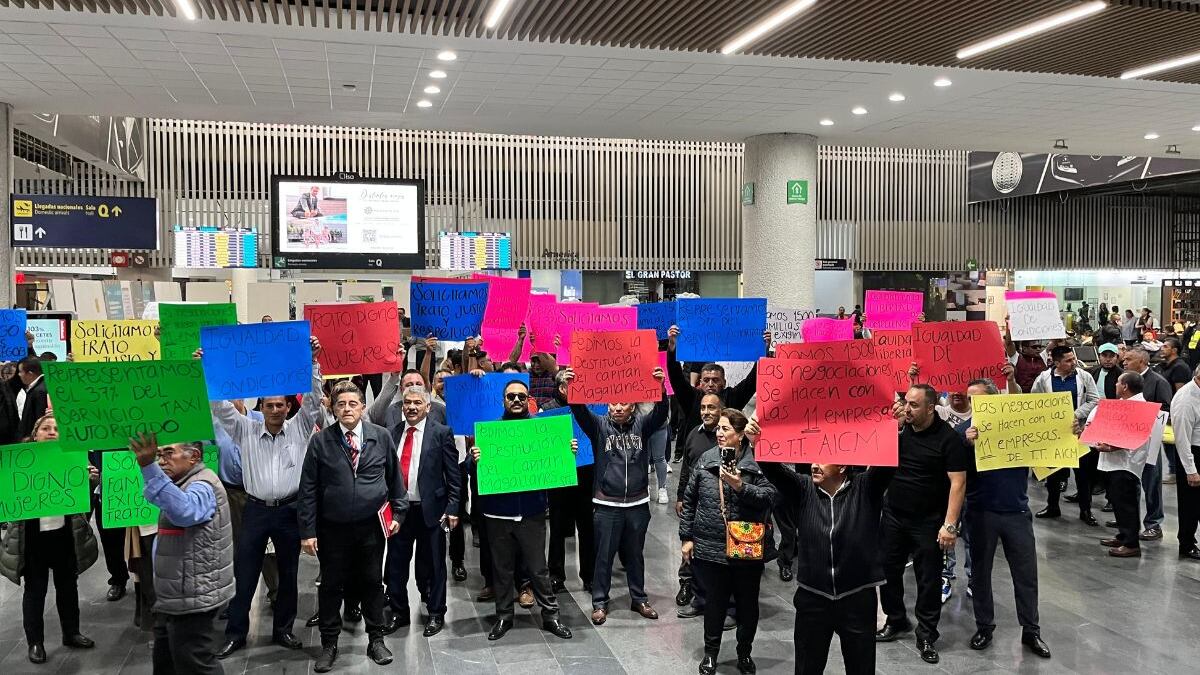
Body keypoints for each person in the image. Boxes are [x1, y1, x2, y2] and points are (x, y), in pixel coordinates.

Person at [747, 416, 894, 675]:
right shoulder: (803, 488)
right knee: (806, 668)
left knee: (861, 669)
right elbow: (774, 470)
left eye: (823, 458)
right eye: (814, 457)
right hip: (813, 597)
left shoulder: (866, 488)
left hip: (857, 597)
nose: (814, 464)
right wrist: (758, 441)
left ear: (843, 465)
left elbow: (888, 463)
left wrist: (895, 426)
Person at [210, 336, 325, 659]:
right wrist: (210, 367)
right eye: (269, 405)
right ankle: (235, 633)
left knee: (288, 574)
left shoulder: (301, 428)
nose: (275, 410)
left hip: (290, 511)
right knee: (245, 574)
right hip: (255, 511)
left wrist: (314, 362)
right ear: (262, 408)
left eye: (280, 405)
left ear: (288, 407)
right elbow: (219, 407)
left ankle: (283, 629)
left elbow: (316, 400)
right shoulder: (245, 429)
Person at [298, 380, 406, 673]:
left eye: (352, 403)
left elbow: (395, 479)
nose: (346, 409)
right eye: (340, 404)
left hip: (371, 527)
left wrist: (399, 513)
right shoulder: (321, 441)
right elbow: (308, 489)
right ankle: (329, 643)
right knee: (331, 585)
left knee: (372, 582)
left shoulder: (380, 437)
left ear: (362, 407)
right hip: (333, 528)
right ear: (332, 409)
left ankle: (376, 639)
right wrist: (307, 531)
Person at [469, 380, 573, 642]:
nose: (516, 400)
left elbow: (557, 468)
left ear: (528, 400)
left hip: (532, 512)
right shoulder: (490, 433)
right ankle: (504, 616)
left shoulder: (542, 431)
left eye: (521, 396)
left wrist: (567, 451)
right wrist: (474, 459)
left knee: (538, 568)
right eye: (511, 396)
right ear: (503, 400)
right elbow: (472, 472)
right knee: (502, 569)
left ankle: (551, 615)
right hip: (497, 514)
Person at [565, 365, 669, 626]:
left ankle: (639, 598)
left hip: (637, 503)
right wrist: (573, 386)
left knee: (635, 554)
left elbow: (661, 413)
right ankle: (600, 602)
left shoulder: (643, 426)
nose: (619, 407)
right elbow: (579, 411)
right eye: (614, 403)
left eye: (624, 403)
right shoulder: (599, 427)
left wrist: (661, 388)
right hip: (606, 503)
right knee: (603, 555)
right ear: (607, 405)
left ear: (633, 406)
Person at [876, 384, 968, 665]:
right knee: (887, 570)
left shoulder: (948, 439)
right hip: (894, 515)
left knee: (928, 579)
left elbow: (958, 483)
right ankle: (896, 619)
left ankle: (926, 633)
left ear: (931, 408)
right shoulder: (901, 432)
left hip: (928, 521)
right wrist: (891, 425)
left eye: (914, 405)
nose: (907, 409)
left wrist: (950, 525)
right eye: (906, 403)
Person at [679, 409, 775, 675]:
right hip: (711, 546)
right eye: (718, 429)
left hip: (747, 546)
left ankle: (744, 653)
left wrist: (740, 486)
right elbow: (690, 501)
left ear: (741, 434)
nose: (719, 433)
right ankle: (710, 654)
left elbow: (770, 497)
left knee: (747, 605)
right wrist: (686, 538)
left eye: (725, 429)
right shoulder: (705, 461)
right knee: (715, 604)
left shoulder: (758, 462)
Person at [959, 380, 1051, 659]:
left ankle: (1031, 629)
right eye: (970, 399)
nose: (973, 404)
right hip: (980, 512)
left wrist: (1068, 433)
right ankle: (984, 626)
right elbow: (952, 472)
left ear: (995, 400)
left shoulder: (1019, 426)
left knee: (1026, 574)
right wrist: (967, 445)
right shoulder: (962, 432)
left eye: (979, 399)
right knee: (980, 574)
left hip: (1016, 512)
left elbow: (1051, 445)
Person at [130, 431, 233, 675]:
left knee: (195, 663)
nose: (162, 460)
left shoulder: (203, 484)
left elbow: (185, 511)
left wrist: (148, 466)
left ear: (194, 456)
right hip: (177, 593)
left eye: (169, 453)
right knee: (167, 660)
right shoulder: (184, 480)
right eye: (159, 455)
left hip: (193, 595)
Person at [0, 413, 98, 665]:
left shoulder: (73, 460)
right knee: (35, 591)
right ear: (35, 434)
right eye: (46, 428)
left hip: (65, 536)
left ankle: (71, 632)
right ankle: (35, 642)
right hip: (31, 540)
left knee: (68, 586)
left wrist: (90, 481)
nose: (52, 431)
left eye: (57, 428)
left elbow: (83, 503)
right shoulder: (19, 462)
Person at [381, 386, 461, 638]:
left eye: (417, 403)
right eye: (408, 403)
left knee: (435, 565)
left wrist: (453, 508)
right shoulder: (391, 434)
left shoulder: (442, 433)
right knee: (395, 564)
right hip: (399, 513)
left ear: (428, 407)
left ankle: (436, 613)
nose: (412, 407)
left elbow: (454, 475)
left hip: (432, 511)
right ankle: (398, 612)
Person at [665, 325, 767, 482]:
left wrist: (763, 351)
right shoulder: (692, 398)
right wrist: (672, 348)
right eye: (706, 380)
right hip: (696, 473)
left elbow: (752, 380)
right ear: (700, 382)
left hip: (728, 472)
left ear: (724, 382)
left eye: (715, 380)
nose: (711, 384)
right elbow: (676, 377)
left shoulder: (732, 397)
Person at [1084, 372, 1166, 558]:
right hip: (1114, 463)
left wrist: (1111, 447)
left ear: (1125, 386)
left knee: (1126, 503)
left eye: (1118, 383)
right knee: (1118, 502)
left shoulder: (1140, 407)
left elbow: (1137, 437)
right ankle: (1123, 535)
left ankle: (1131, 543)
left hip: (1126, 464)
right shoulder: (1124, 404)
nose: (1115, 385)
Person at [540, 370, 596, 595]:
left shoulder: (590, 407)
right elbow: (542, 444)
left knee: (587, 527)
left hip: (585, 475)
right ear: (563, 388)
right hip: (559, 479)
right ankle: (555, 575)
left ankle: (589, 575)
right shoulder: (548, 409)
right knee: (557, 528)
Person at [1031, 346, 1100, 519]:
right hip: (1054, 434)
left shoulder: (1084, 376)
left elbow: (1094, 400)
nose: (1073, 363)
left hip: (1078, 431)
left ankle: (1086, 510)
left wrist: (1076, 415)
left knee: (1083, 474)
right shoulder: (1043, 378)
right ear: (1056, 363)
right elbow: (1034, 401)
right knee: (1053, 474)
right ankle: (1052, 507)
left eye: (1073, 359)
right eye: (1068, 360)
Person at [675, 393, 727, 618]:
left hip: (722, 507)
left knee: (720, 559)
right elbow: (686, 469)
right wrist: (680, 496)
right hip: (696, 504)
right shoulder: (693, 434)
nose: (706, 412)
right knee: (694, 554)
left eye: (712, 408)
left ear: (721, 410)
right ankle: (698, 598)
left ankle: (725, 605)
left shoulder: (728, 436)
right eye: (703, 408)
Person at [1121, 347, 1172, 541]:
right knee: (1129, 482)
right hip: (1127, 440)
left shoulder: (1158, 382)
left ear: (1142, 362)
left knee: (1151, 483)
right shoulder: (1124, 379)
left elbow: (1166, 410)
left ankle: (1154, 523)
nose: (1124, 362)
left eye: (1129, 359)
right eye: (1124, 359)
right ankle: (1129, 520)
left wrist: (1142, 416)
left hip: (1149, 442)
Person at [1168, 364, 1200, 561]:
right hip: (1192, 453)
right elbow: (1181, 439)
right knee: (1190, 503)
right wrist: (1191, 470)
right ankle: (1186, 543)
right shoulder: (1186, 399)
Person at [15, 356, 48, 439]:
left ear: (30, 374)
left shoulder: (39, 391)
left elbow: (40, 419)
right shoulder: (41, 387)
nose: (19, 374)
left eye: (20, 371)